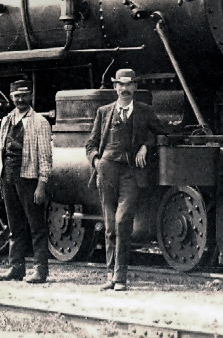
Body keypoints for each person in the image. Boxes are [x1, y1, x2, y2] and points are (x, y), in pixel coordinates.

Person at [85, 69, 165, 291]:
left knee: (123, 222)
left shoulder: (145, 111)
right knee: (110, 226)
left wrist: (145, 146)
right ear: (115, 88)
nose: (125, 89)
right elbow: (90, 144)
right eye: (121, 85)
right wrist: (96, 162)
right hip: (107, 170)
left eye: (129, 85)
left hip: (132, 173)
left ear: (135, 88)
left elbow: (162, 133)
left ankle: (120, 277)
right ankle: (110, 275)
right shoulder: (104, 112)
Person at [0, 80, 52, 284]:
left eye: (24, 95)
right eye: (16, 96)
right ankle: (16, 268)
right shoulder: (7, 120)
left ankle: (40, 270)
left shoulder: (40, 123)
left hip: (29, 178)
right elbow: (1, 152)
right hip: (8, 177)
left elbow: (45, 156)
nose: (20, 99)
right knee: (15, 226)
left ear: (31, 96)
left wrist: (41, 184)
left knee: (36, 226)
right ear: (11, 97)